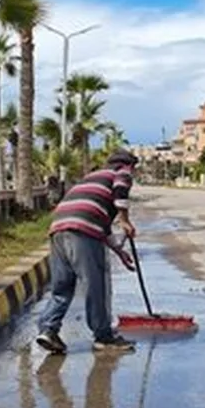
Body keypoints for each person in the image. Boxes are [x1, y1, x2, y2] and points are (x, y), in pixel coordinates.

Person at [36, 149, 140, 354]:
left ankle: (48, 329)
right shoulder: (121, 172)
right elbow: (121, 189)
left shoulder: (91, 178)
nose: (132, 174)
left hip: (59, 229)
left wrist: (119, 251)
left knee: (62, 286)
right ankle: (104, 337)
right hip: (82, 232)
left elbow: (100, 225)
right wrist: (125, 220)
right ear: (128, 165)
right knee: (96, 285)